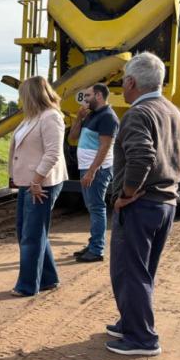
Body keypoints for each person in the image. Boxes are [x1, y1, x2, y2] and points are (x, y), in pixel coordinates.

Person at [105, 52, 180, 356]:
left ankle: (141, 338)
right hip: (165, 203)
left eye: (122, 83)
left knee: (129, 271)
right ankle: (132, 321)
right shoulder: (175, 112)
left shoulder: (139, 114)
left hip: (141, 205)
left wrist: (127, 193)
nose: (122, 89)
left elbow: (142, 155)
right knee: (144, 270)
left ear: (131, 81)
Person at [8, 76, 67, 297]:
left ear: (32, 95)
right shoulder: (31, 117)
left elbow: (53, 153)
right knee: (29, 230)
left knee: (31, 234)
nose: (20, 99)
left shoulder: (51, 117)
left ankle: (27, 285)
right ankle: (48, 278)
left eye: (22, 95)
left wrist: (36, 181)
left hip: (41, 184)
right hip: (28, 183)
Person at [68, 83, 119, 263]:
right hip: (87, 168)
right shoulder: (91, 116)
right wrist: (78, 119)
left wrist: (91, 171)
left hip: (97, 170)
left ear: (98, 96)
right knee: (92, 207)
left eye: (88, 95)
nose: (85, 99)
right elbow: (72, 138)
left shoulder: (108, 117)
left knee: (97, 207)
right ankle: (93, 244)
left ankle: (97, 249)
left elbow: (105, 146)